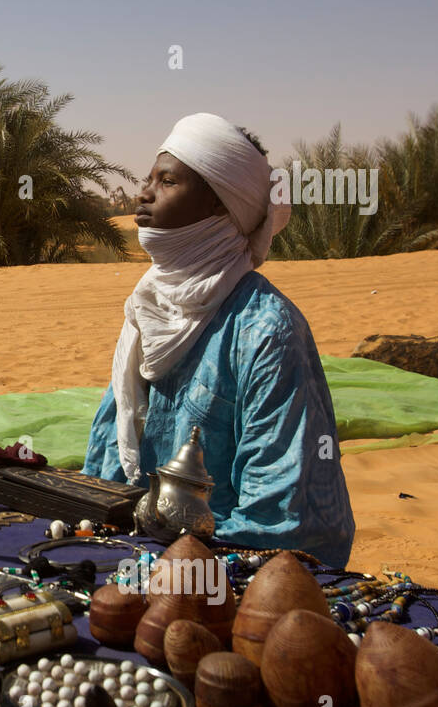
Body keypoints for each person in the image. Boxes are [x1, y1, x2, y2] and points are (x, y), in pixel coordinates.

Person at [82, 112, 355, 567]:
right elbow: (111, 463)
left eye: (168, 181)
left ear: (217, 204)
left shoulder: (266, 330)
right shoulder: (146, 309)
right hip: (133, 553)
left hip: (225, 570)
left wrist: (179, 560)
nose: (144, 194)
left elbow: (283, 518)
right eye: (148, 178)